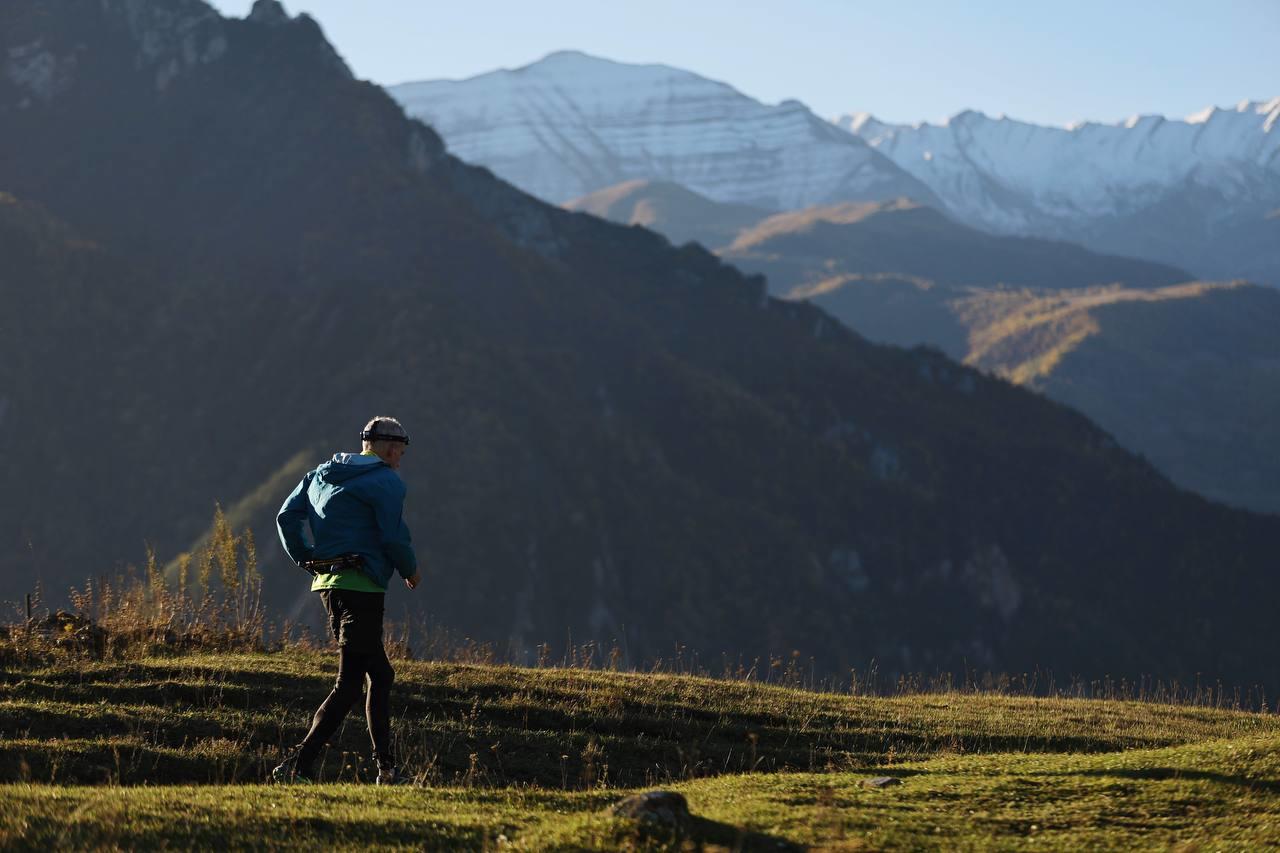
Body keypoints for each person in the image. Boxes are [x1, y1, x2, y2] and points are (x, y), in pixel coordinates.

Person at [271, 416, 420, 785]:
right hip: (362, 588)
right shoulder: (386, 481)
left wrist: (305, 558)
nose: (400, 460)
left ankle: (386, 769)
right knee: (350, 684)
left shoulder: (320, 474)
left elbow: (286, 516)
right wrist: (409, 569)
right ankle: (297, 766)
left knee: (380, 675)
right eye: (399, 452)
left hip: (329, 585)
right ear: (388, 448)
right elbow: (393, 535)